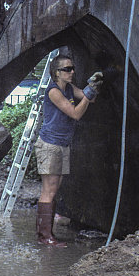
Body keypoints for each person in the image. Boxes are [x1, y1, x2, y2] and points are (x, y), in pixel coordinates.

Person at [33, 55, 100, 246]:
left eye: (72, 68)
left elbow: (87, 98)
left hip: (62, 144)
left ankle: (47, 234)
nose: (72, 72)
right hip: (51, 145)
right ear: (56, 73)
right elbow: (76, 113)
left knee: (54, 188)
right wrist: (88, 95)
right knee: (49, 189)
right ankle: (44, 237)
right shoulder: (54, 92)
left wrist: (92, 87)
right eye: (67, 69)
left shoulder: (69, 88)